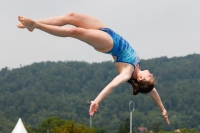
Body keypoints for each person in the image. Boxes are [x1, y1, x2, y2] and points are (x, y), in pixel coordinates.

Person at [17, 12, 170, 124]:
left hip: (109, 44)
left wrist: (97, 100)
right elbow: (152, 91)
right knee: (71, 16)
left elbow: (111, 86)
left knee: (73, 31)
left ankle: (36, 25)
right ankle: (32, 25)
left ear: (142, 78)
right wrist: (162, 108)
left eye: (150, 77)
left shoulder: (127, 72)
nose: (151, 74)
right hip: (107, 31)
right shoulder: (138, 70)